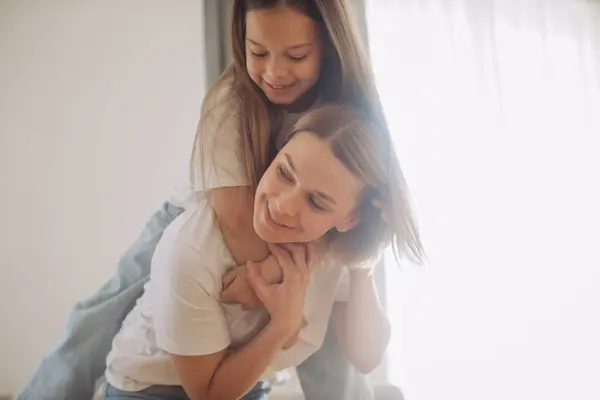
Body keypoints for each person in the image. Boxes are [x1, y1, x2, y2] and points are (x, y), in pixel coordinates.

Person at [16, 1, 420, 399]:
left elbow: (361, 342)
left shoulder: (354, 116)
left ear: (330, 47)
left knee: (331, 340)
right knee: (99, 317)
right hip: (213, 210)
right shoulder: (231, 102)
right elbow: (238, 226)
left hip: (304, 230)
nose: (274, 72)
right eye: (257, 52)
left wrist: (326, 275)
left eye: (296, 55)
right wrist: (269, 291)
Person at [103, 104, 422, 400]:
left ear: (348, 220)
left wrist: (364, 262)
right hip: (147, 390)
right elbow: (208, 394)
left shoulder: (332, 251)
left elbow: (366, 356)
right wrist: (283, 324)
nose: (283, 206)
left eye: (316, 202)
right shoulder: (192, 249)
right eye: (284, 173)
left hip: (247, 387)